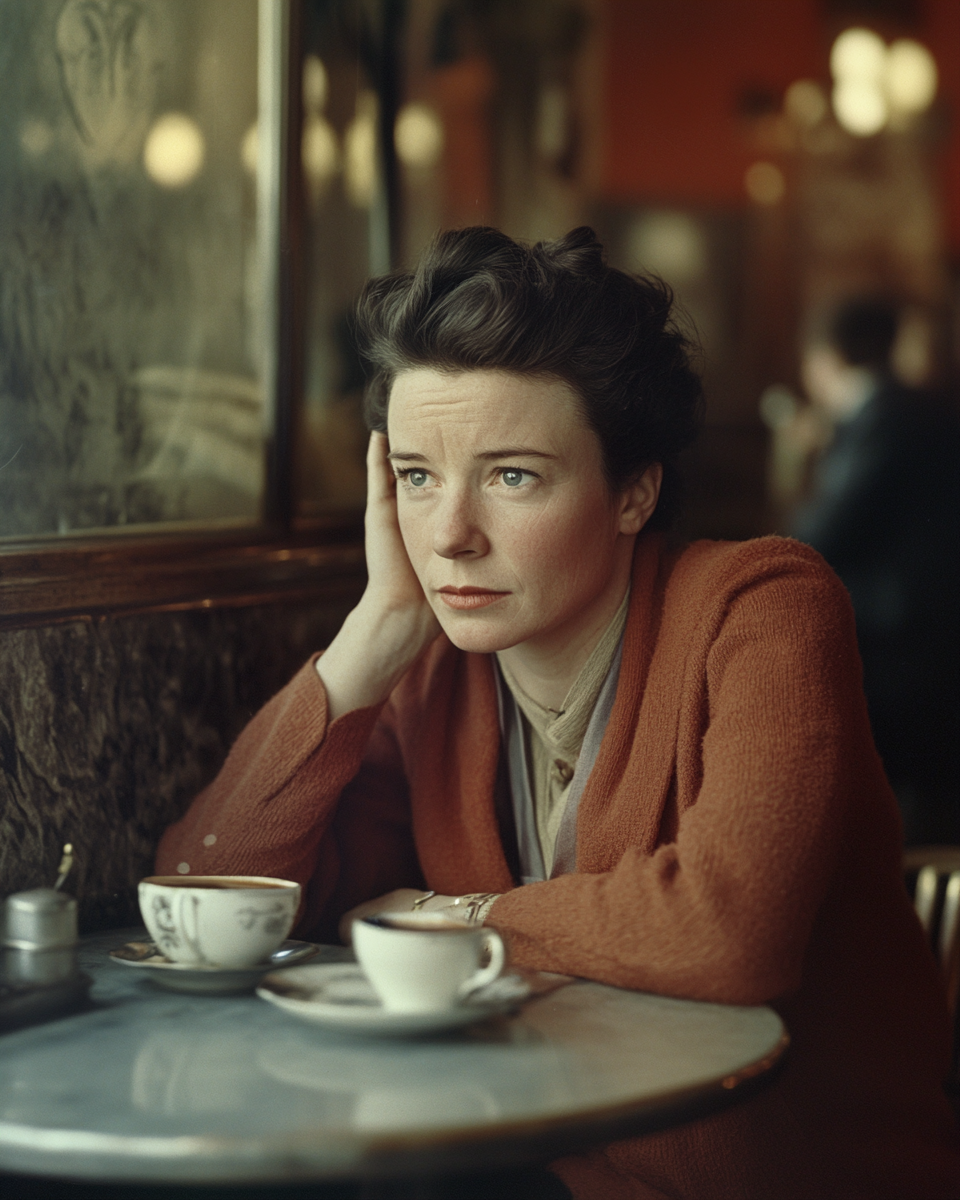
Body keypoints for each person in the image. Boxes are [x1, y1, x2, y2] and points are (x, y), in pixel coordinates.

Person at [157, 228, 959, 1200]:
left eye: (511, 476)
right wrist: (371, 637)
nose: (450, 535)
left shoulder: (765, 609)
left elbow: (725, 932)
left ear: (633, 492)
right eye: (417, 476)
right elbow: (203, 894)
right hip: (539, 1164)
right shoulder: (433, 672)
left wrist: (462, 918)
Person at [793, 298, 960, 845]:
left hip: (899, 636)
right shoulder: (910, 408)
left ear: (824, 358)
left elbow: (826, 533)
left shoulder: (884, 416)